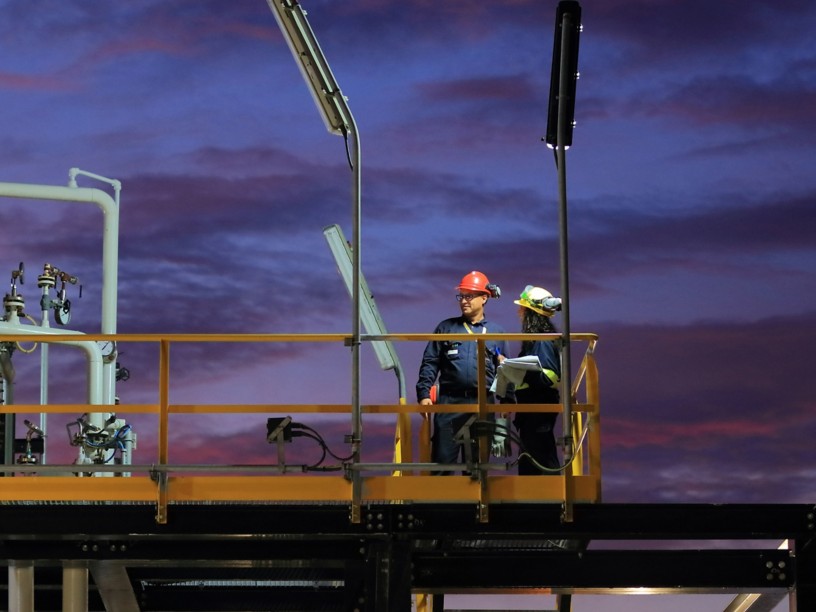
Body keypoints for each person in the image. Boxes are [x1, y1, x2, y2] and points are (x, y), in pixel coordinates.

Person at [416, 271, 507, 473]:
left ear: (484, 298)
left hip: (483, 404)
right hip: (450, 403)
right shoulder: (446, 328)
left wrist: (507, 402)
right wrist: (424, 394)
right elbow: (430, 362)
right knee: (442, 464)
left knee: (477, 468)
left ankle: (476, 494)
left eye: (469, 296)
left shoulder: (497, 333)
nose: (464, 301)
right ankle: (441, 495)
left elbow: (505, 371)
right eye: (462, 296)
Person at [499, 285, 562, 475]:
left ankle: (548, 492)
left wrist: (515, 369)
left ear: (531, 312)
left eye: (523, 308)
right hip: (532, 407)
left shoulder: (542, 340)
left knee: (540, 454)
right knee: (533, 454)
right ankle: (537, 491)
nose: (519, 312)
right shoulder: (537, 340)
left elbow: (549, 377)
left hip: (538, 406)